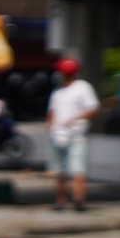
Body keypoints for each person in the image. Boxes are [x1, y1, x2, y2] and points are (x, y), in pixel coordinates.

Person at [47, 57, 98, 212]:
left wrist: (74, 120)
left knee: (78, 169)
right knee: (59, 170)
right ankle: (60, 201)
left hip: (76, 136)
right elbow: (52, 113)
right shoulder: (58, 93)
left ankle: (78, 200)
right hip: (58, 135)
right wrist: (50, 129)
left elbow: (92, 108)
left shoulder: (83, 88)